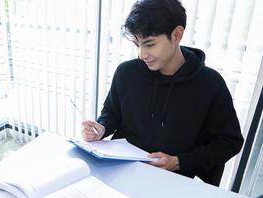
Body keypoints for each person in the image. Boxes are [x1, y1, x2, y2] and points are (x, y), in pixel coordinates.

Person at [82, 0, 244, 186]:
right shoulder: (127, 73)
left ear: (177, 34)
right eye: (138, 44)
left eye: (149, 44)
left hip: (173, 181)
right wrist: (101, 128)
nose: (142, 54)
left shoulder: (210, 84)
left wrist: (178, 162)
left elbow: (229, 142)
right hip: (121, 171)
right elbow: (112, 113)